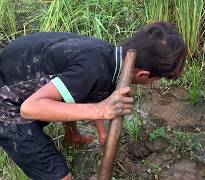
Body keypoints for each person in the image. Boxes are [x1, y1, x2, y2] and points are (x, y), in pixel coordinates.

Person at [0, 22, 187, 180]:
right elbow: (29, 108)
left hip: (21, 76)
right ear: (144, 75)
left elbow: (80, 90)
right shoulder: (94, 70)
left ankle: (72, 136)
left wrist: (102, 131)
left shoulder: (108, 56)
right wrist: (99, 110)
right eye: (158, 79)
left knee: (71, 90)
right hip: (8, 103)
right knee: (59, 175)